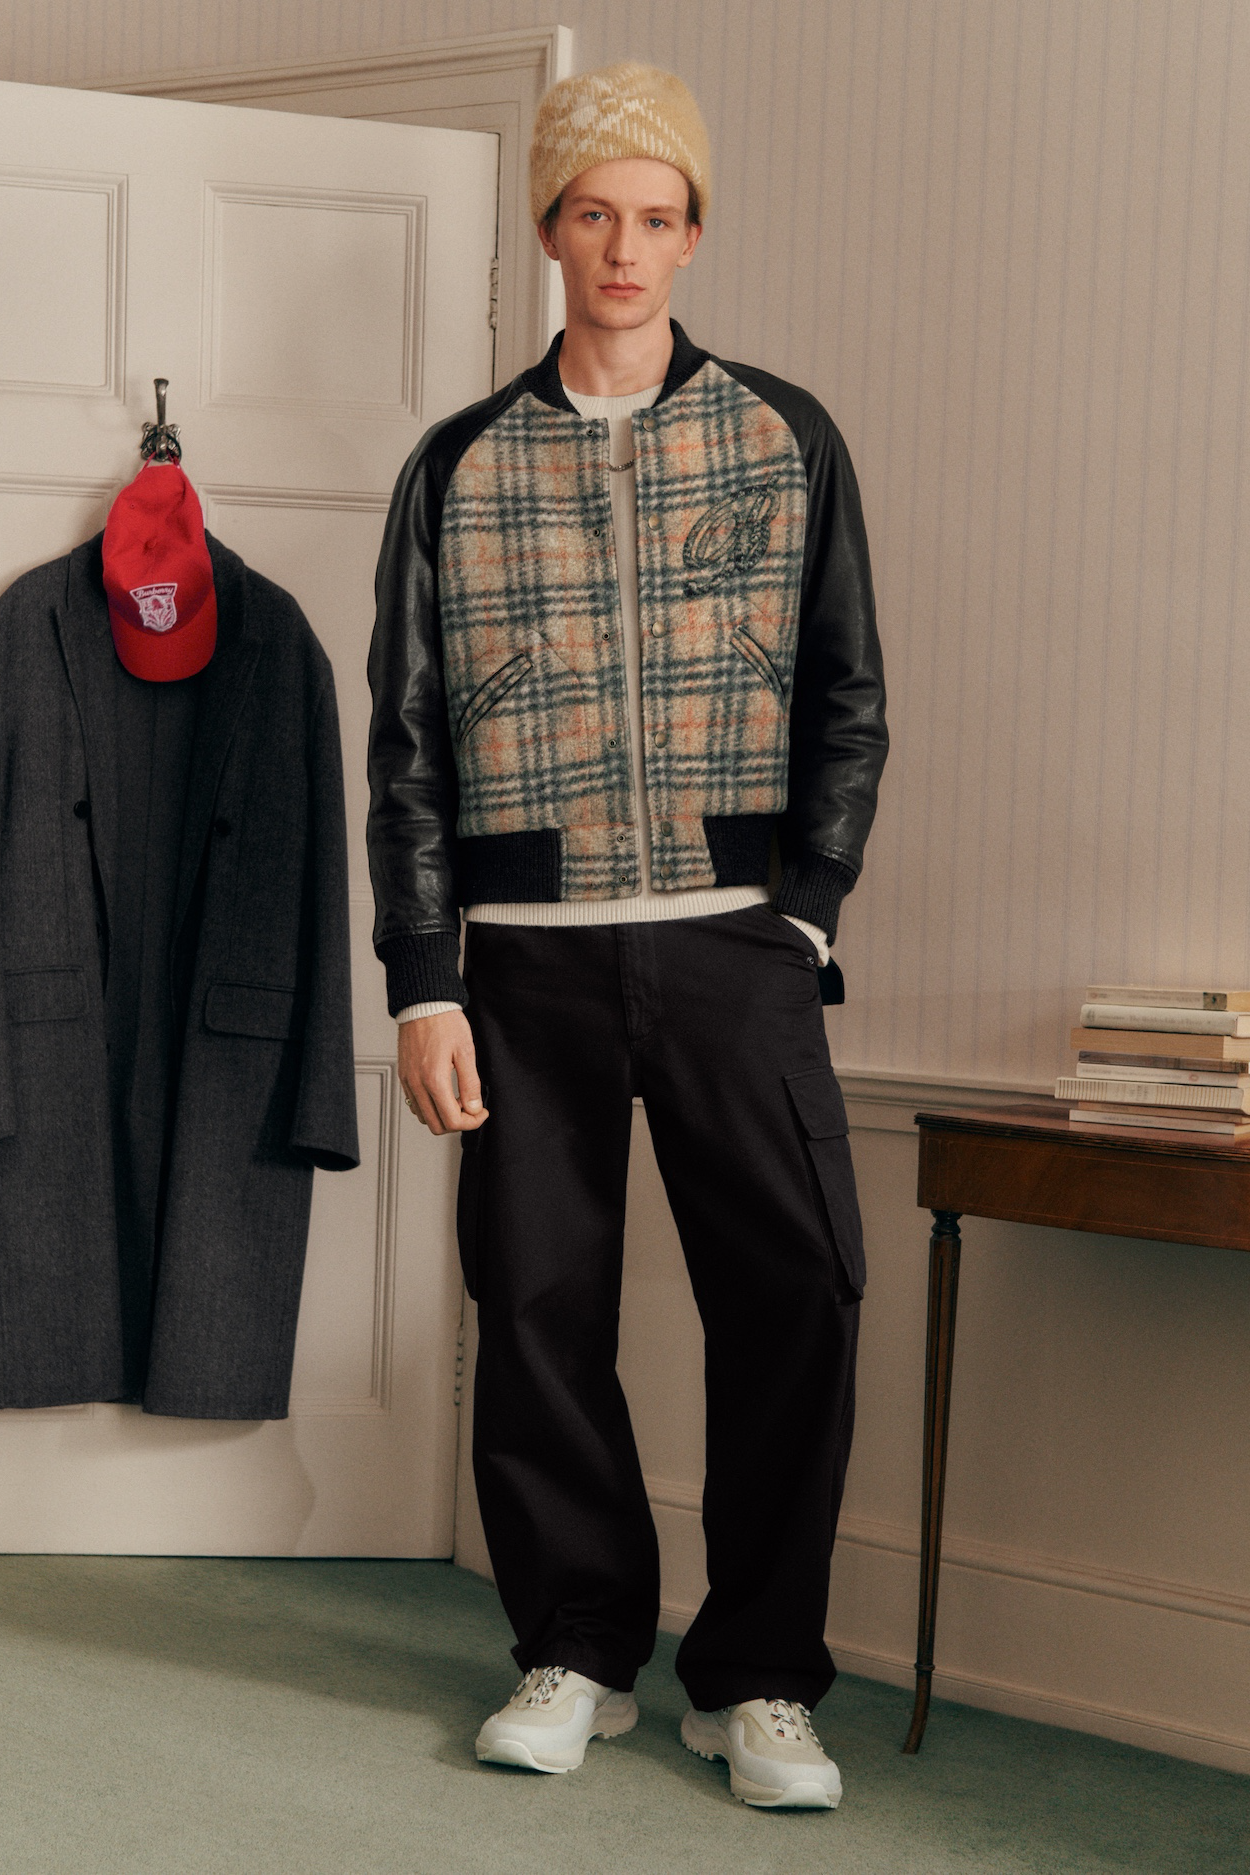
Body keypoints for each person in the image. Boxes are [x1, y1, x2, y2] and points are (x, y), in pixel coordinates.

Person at [366, 60, 887, 1810]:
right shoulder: (457, 464)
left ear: (691, 234)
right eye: (594, 212)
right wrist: (423, 978)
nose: (624, 247)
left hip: (736, 946)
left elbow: (846, 695)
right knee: (534, 1308)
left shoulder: (783, 435)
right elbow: (408, 745)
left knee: (792, 1298)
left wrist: (803, 910)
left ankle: (758, 1677)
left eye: (657, 217)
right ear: (549, 228)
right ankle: (578, 1647)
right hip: (525, 960)